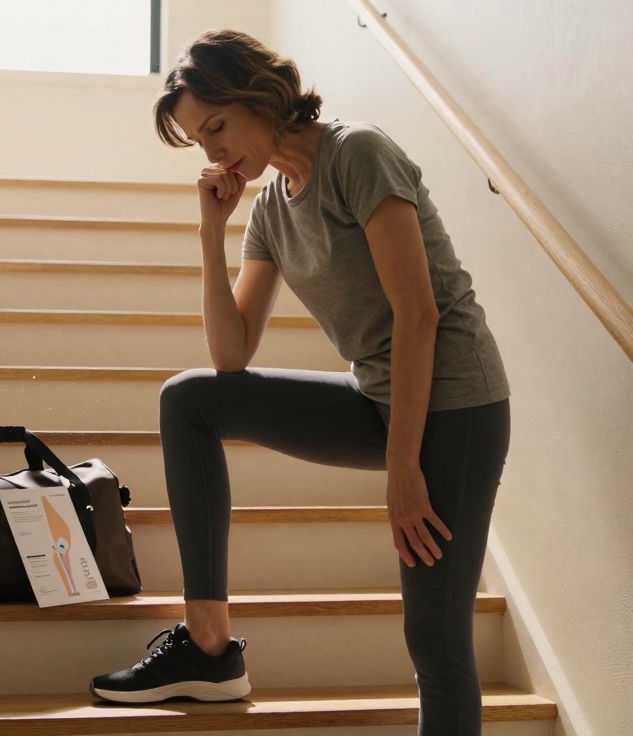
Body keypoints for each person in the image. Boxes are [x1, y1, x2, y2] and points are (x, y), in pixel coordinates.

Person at [88, 28, 511, 736]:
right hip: (377, 397)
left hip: (458, 407)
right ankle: (209, 646)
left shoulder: (358, 156)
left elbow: (419, 313)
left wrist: (403, 467)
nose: (213, 151)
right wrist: (209, 230)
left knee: (435, 639)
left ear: (261, 93)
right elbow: (231, 356)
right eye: (199, 141)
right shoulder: (270, 208)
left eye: (217, 126)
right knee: (190, 399)